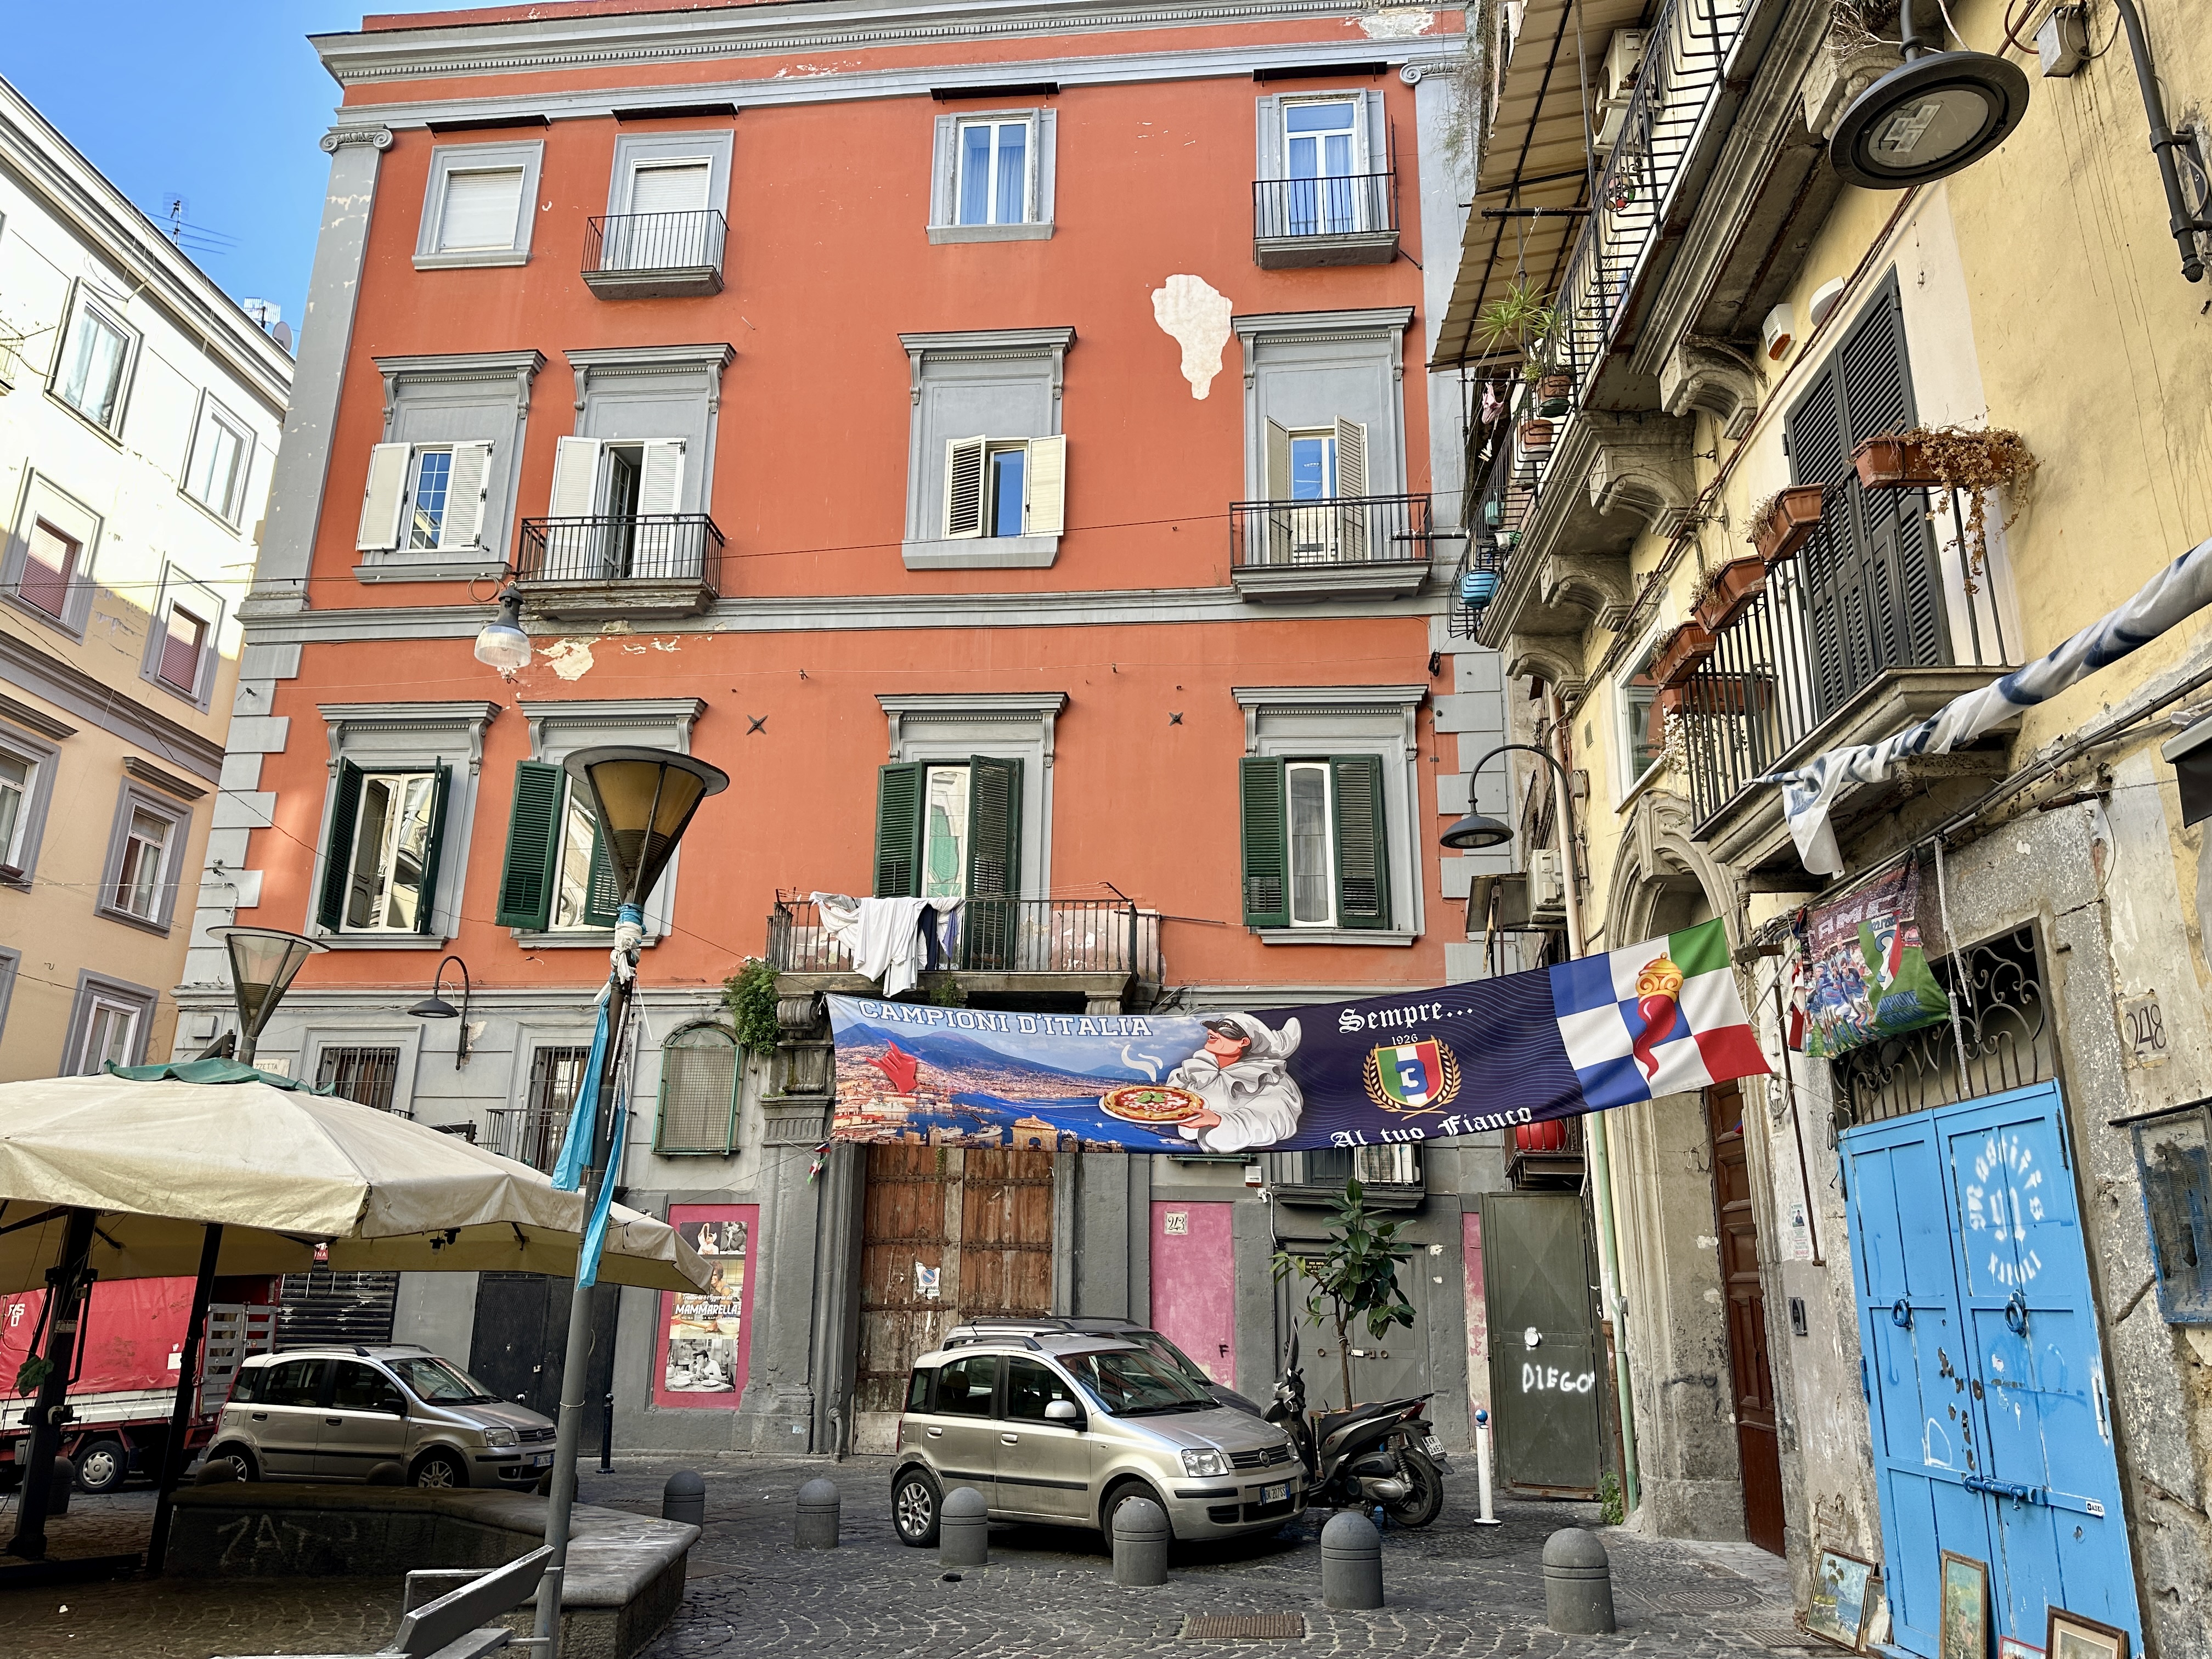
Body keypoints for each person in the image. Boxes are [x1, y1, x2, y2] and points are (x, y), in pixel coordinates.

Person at [1163, 1012, 1304, 1153]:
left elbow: (1275, 1120)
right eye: (1215, 1027)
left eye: (1225, 1029)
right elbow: (1170, 1096)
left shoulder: (1269, 1077)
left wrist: (1218, 1120)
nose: (1212, 1032)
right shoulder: (1196, 1067)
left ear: (1244, 1042)